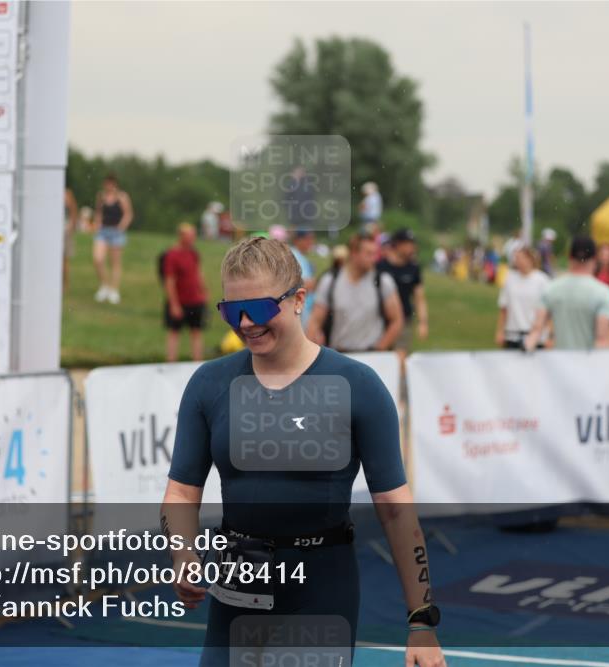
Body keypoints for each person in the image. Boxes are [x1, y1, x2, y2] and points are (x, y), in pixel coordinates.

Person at [161, 236, 446, 667]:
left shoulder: (358, 387)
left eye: (257, 310)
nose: (245, 324)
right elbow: (181, 493)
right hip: (236, 588)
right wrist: (183, 554)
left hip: (320, 590)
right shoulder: (209, 384)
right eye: (230, 311)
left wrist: (421, 621)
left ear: (298, 299)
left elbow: (394, 508)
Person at [306, 233, 404, 352]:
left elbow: (397, 320)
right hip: (340, 354)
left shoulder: (383, 282)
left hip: (372, 354)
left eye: (375, 254)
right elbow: (315, 320)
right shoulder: (331, 281)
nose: (374, 259)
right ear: (353, 253)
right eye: (368, 254)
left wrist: (379, 348)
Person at [525, 236, 609, 351]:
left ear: (570, 256)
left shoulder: (551, 289)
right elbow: (602, 341)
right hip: (589, 365)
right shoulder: (604, 293)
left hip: (560, 364)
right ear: (595, 258)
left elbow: (535, 331)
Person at [377, 229, 429, 361]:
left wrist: (423, 322)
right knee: (379, 355)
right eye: (408, 244)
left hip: (404, 320)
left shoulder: (413, 268)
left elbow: (419, 297)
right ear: (398, 244)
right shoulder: (381, 266)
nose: (412, 247)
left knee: (400, 357)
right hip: (381, 320)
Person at [162, 223, 207, 362]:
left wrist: (204, 290)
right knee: (174, 332)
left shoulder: (193, 253)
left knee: (196, 331)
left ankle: (197, 362)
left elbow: (198, 272)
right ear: (181, 236)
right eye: (190, 235)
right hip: (180, 300)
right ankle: (171, 362)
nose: (193, 238)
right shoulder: (172, 255)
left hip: (195, 300)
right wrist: (174, 304)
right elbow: (169, 280)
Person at [495, 246, 551, 349]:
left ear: (530, 259)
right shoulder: (510, 279)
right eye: (516, 258)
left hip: (535, 337)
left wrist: (548, 335)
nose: (517, 261)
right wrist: (500, 331)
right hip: (512, 335)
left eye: (520, 258)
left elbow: (548, 310)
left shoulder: (542, 280)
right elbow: (504, 308)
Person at [93, 174, 134, 304]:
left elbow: (128, 213)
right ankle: (104, 285)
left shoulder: (122, 197)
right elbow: (99, 212)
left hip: (116, 231)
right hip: (103, 231)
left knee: (115, 262)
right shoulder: (101, 196)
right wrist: (97, 224)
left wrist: (121, 227)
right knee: (98, 259)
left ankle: (114, 289)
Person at [289, 230, 317, 329]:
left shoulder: (302, 257)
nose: (311, 242)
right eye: (308, 239)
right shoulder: (294, 255)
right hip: (299, 312)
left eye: (312, 239)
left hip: (304, 310)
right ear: (297, 240)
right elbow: (300, 284)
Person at [63, 188, 78, 291]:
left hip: (65, 230)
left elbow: (73, 210)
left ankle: (65, 284)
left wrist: (72, 226)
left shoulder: (67, 193)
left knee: (64, 260)